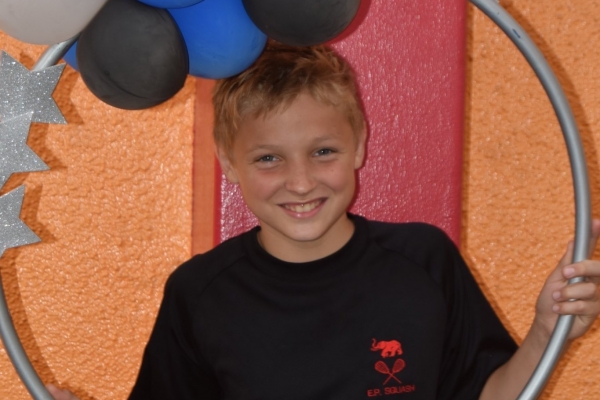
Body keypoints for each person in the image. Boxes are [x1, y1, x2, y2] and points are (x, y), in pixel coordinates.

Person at [47, 43, 600, 400]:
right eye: (269, 158)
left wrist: (545, 334)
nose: (301, 181)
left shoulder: (423, 262)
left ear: (359, 145)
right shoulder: (199, 293)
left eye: (323, 152)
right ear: (229, 163)